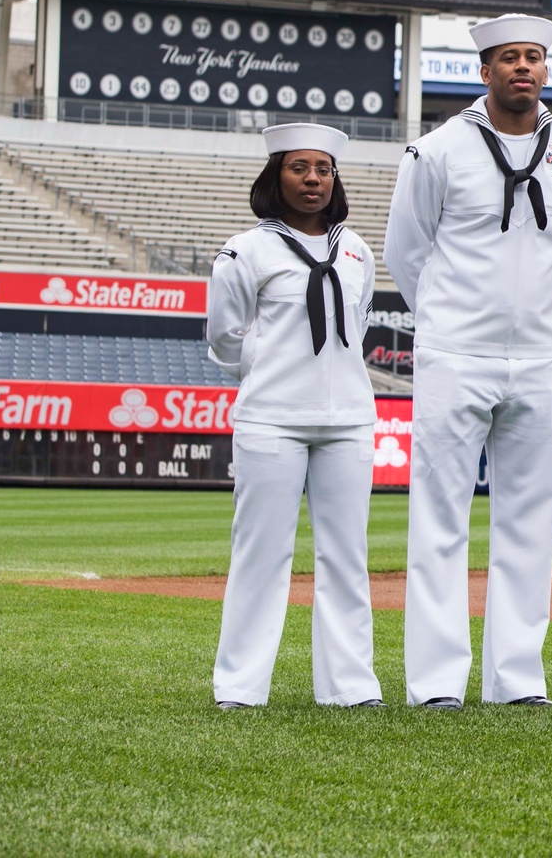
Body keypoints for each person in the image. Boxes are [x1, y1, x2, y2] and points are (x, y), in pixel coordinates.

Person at [384, 14, 552, 709]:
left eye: (534, 57)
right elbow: (406, 252)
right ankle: (436, 682)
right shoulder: (436, 150)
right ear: (484, 70)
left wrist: (523, 313)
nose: (523, 68)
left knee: (530, 522)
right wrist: (449, 322)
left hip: (537, 356)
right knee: (440, 518)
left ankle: (517, 680)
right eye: (509, 57)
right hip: (455, 355)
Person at [208, 122, 382, 710]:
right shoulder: (245, 249)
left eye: (324, 169)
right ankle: (239, 687)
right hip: (271, 419)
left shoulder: (357, 249)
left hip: (350, 419)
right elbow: (225, 336)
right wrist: (266, 371)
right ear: (275, 175)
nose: (313, 180)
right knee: (261, 553)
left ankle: (350, 687)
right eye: (299, 168)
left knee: (347, 556)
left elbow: (354, 324)